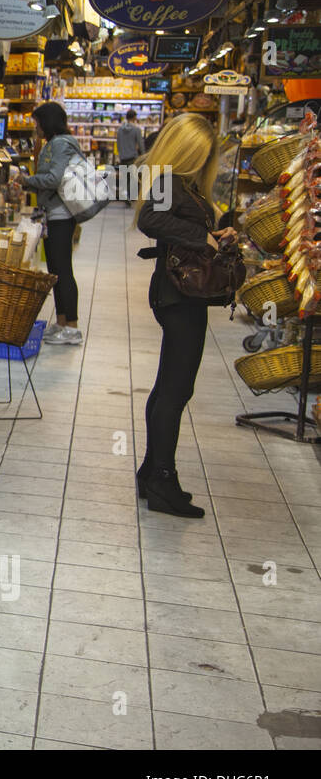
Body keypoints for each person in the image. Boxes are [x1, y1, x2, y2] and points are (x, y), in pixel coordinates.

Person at [135, 113, 234, 518]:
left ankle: (150, 472)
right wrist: (203, 237)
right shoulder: (167, 181)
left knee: (168, 388)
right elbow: (151, 220)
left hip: (181, 293)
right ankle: (162, 479)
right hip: (179, 295)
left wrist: (214, 236)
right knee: (175, 390)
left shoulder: (179, 183)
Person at [9, 102, 82, 345]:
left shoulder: (59, 144)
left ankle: (71, 326)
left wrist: (27, 180)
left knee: (62, 270)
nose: (35, 126)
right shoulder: (57, 143)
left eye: (37, 121)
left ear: (47, 121)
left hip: (61, 215)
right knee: (55, 271)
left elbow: (54, 178)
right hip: (55, 214)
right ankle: (61, 323)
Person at [115, 109, 145, 207]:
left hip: (123, 157)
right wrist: (144, 156)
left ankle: (124, 195)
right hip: (133, 158)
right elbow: (141, 145)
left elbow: (118, 144)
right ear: (134, 118)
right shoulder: (136, 130)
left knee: (124, 178)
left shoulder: (119, 130)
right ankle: (128, 196)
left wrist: (120, 154)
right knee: (132, 178)